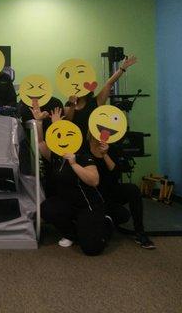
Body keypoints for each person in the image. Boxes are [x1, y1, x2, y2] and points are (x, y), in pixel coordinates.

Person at [32, 106, 109, 256]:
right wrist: (39, 122)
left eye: (68, 135)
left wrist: (74, 164)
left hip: (88, 206)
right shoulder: (55, 155)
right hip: (68, 204)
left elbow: (94, 181)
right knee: (47, 208)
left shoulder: (82, 155)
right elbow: (41, 142)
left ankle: (105, 223)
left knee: (91, 249)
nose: (63, 139)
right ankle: (71, 233)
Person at [88, 134, 155, 249]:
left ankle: (140, 232)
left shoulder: (112, 148)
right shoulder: (84, 148)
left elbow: (116, 174)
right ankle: (105, 220)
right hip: (94, 194)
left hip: (111, 190)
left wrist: (105, 154)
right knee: (121, 215)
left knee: (132, 189)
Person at [64, 55, 137, 150]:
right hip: (73, 145)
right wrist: (72, 105)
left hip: (93, 147)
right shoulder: (68, 104)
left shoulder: (96, 102)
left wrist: (122, 68)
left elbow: (109, 83)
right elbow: (67, 123)